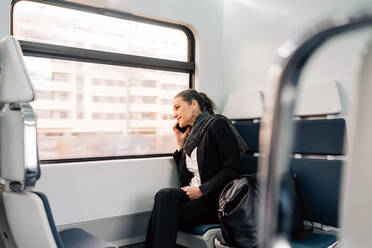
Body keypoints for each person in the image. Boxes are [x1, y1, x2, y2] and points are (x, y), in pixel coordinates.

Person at [145, 89, 248, 248]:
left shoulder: (216, 124)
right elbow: (184, 179)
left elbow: (232, 168)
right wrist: (180, 144)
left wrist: (202, 190)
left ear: (194, 105)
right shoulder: (192, 137)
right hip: (195, 196)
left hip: (214, 199)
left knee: (163, 214)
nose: (174, 114)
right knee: (163, 196)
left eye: (177, 107)